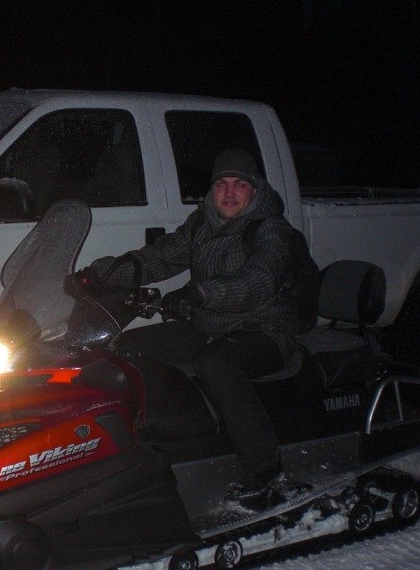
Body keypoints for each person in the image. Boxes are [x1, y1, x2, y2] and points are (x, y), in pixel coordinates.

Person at [84, 147, 302, 508]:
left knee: (216, 363)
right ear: (211, 191)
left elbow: (258, 280)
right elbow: (158, 257)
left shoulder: (271, 229)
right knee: (127, 348)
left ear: (255, 190)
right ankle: (151, 445)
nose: (229, 193)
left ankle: (266, 471)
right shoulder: (202, 224)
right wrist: (102, 273)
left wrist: (199, 293)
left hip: (264, 330)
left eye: (239, 184)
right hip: (209, 324)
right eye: (221, 184)